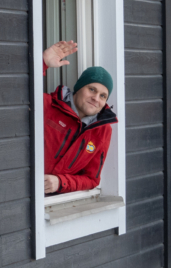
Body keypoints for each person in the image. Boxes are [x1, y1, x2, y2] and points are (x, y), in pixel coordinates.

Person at [41, 40, 117, 195]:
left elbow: (91, 179)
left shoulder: (103, 131)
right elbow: (15, 91)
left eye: (103, 95)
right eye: (92, 89)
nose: (96, 98)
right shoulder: (48, 105)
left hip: (59, 203)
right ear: (78, 89)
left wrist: (60, 183)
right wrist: (43, 63)